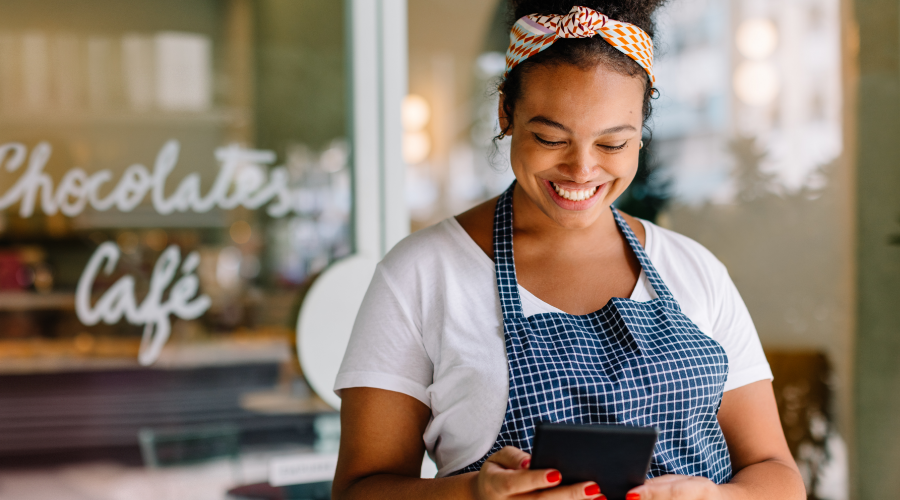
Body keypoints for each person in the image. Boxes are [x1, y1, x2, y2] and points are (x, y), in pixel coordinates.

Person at [331, 1, 806, 499]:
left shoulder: (695, 269)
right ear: (505, 112)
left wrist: (720, 497)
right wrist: (476, 495)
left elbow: (776, 473)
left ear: (641, 134)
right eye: (550, 137)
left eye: (612, 144)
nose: (581, 170)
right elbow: (358, 490)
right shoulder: (421, 274)